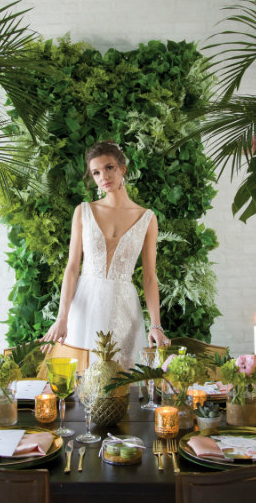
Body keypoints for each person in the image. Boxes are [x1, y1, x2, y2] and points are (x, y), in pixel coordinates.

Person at [42, 140, 170, 368]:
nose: (104, 177)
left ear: (122, 168)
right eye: (96, 172)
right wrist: (62, 317)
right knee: (82, 378)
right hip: (86, 305)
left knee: (122, 381)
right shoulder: (83, 212)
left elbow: (150, 277)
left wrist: (156, 325)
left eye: (109, 167)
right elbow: (72, 268)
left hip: (123, 308)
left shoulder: (147, 218)